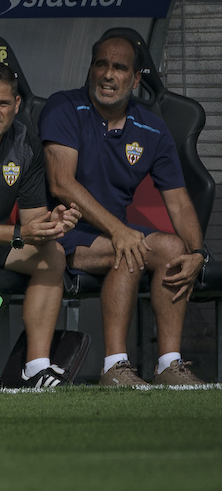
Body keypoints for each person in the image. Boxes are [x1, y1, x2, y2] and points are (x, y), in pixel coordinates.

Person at [40, 34, 208, 386]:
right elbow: (61, 184)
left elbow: (178, 200)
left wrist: (197, 252)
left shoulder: (152, 127)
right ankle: (115, 366)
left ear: (135, 79)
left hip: (114, 232)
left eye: (119, 68)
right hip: (62, 233)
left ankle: (168, 365)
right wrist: (119, 230)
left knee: (174, 251)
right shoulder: (64, 107)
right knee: (129, 249)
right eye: (101, 64)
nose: (108, 74)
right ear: (90, 69)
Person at [0, 62, 80, 389]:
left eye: (3, 104)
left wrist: (53, 223)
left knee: (52, 255)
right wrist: (17, 234)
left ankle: (35, 367)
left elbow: (32, 222)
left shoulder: (26, 145)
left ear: (17, 105)